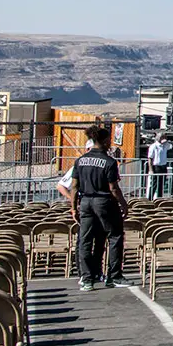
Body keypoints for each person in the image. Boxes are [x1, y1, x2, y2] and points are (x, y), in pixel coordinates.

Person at [56, 124, 129, 290]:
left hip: (86, 202)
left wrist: (74, 207)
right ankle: (114, 275)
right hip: (104, 202)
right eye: (108, 141)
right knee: (115, 236)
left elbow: (74, 186)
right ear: (103, 141)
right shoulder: (109, 162)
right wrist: (123, 204)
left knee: (85, 240)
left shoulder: (80, 161)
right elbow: (113, 188)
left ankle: (87, 278)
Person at [146, 131, 173, 199]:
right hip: (156, 167)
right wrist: (151, 170)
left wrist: (167, 141)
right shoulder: (153, 146)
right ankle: (150, 199)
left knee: (162, 184)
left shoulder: (165, 145)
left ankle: (159, 198)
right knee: (154, 184)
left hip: (163, 166)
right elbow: (150, 159)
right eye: (163, 137)